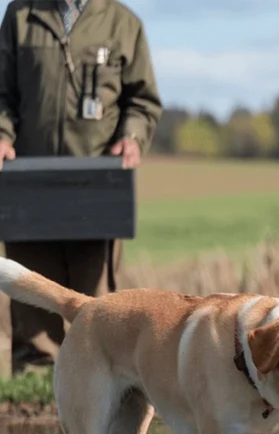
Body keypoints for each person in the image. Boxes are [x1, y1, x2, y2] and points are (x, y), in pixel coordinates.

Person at [0, 0, 162, 374]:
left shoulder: (124, 23)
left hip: (97, 188)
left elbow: (142, 102)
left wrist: (132, 137)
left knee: (99, 307)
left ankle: (103, 384)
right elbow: (2, 93)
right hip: (29, 185)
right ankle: (37, 381)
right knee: (32, 292)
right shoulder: (21, 14)